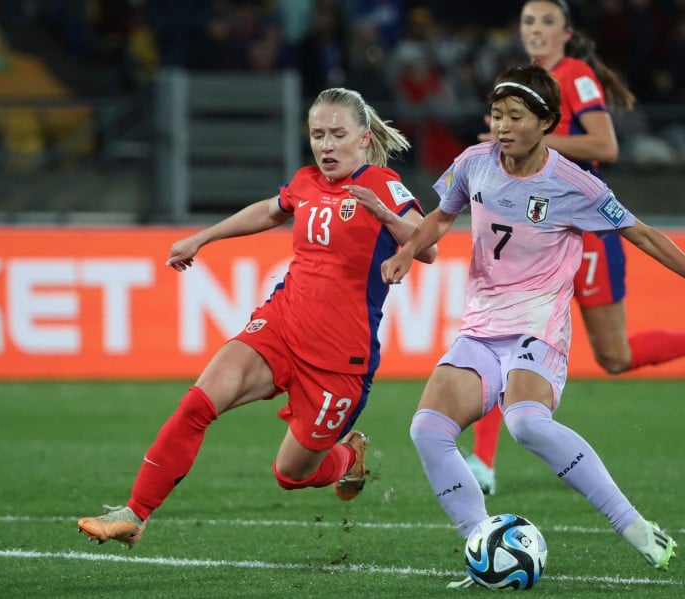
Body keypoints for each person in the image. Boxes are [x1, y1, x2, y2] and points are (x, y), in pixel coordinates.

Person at [381, 64, 685, 579]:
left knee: (527, 423)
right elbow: (442, 217)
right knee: (427, 429)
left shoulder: (573, 183)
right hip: (482, 328)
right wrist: (408, 251)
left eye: (515, 116)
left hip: (540, 327)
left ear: (547, 122)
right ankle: (482, 545)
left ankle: (634, 526)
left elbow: (640, 233)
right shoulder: (473, 163)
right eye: (496, 115)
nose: (503, 126)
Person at [77, 87, 437, 548]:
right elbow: (270, 211)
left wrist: (386, 216)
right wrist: (202, 238)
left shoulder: (383, 184)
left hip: (339, 360)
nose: (326, 146)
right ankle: (135, 512)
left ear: (364, 139)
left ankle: (347, 459)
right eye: (317, 135)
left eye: (337, 135)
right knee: (197, 404)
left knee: (290, 474)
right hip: (281, 325)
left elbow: (427, 246)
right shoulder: (306, 181)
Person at [466, 0, 685, 495]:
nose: (536, 29)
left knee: (614, 356)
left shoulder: (574, 76)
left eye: (547, 21)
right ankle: (483, 463)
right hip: (531, 231)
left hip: (582, 228)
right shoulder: (517, 85)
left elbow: (605, 146)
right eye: (528, 20)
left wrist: (535, 141)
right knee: (505, 334)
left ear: (567, 33)